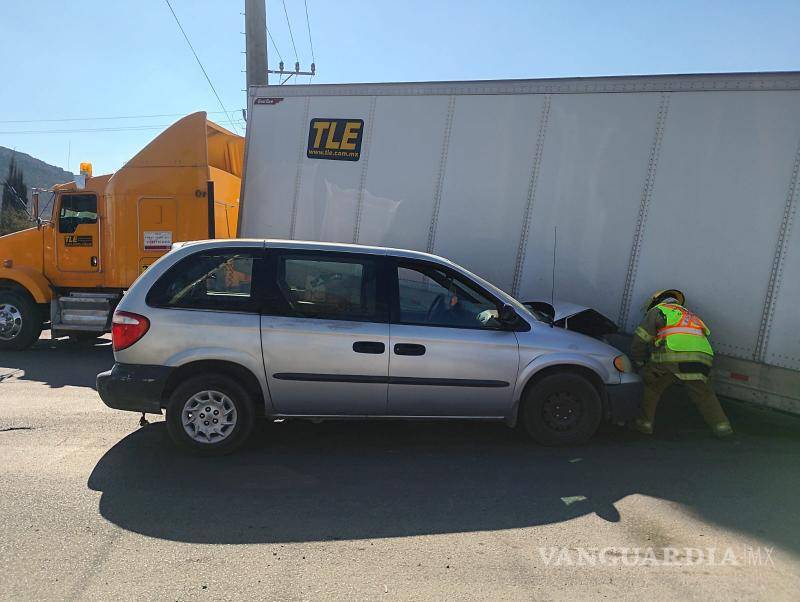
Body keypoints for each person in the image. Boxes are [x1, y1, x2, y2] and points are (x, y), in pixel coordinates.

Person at [630, 289, 734, 438]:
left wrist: (639, 362)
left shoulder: (658, 311)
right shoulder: (691, 316)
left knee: (652, 386)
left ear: (656, 301)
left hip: (672, 358)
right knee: (705, 395)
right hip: (703, 360)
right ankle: (723, 428)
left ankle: (643, 425)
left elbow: (640, 340)